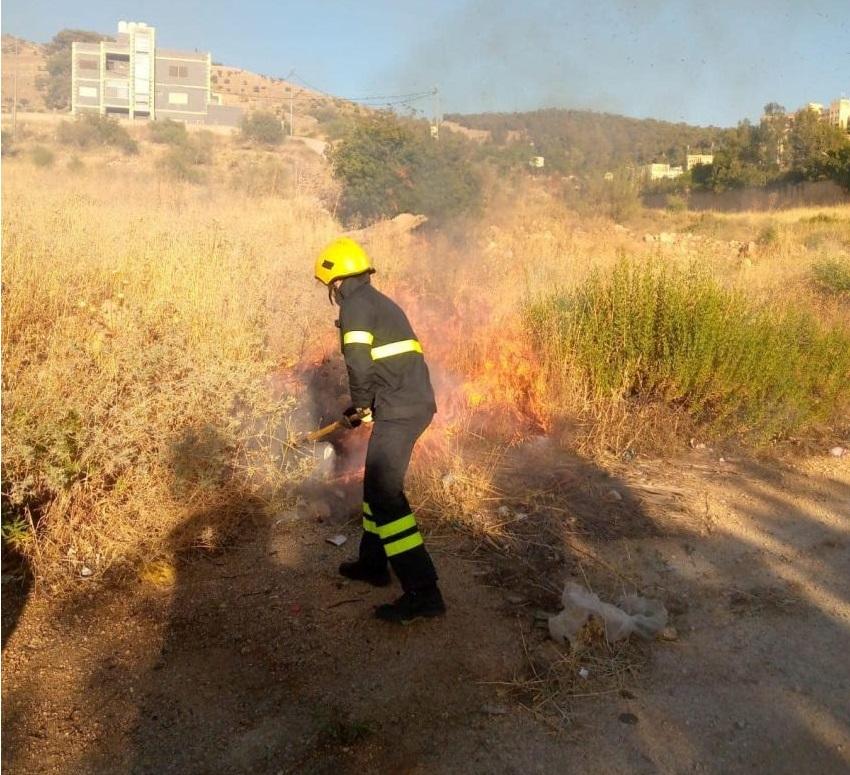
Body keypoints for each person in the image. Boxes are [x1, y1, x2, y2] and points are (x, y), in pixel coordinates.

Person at [314, 237, 445, 624]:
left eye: (330, 287)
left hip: (401, 411)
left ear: (336, 282)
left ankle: (424, 592)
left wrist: (362, 405)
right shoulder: (377, 301)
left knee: (386, 497)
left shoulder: (355, 305)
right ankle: (372, 564)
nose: (333, 294)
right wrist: (370, 406)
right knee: (375, 487)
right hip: (406, 405)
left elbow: (358, 362)